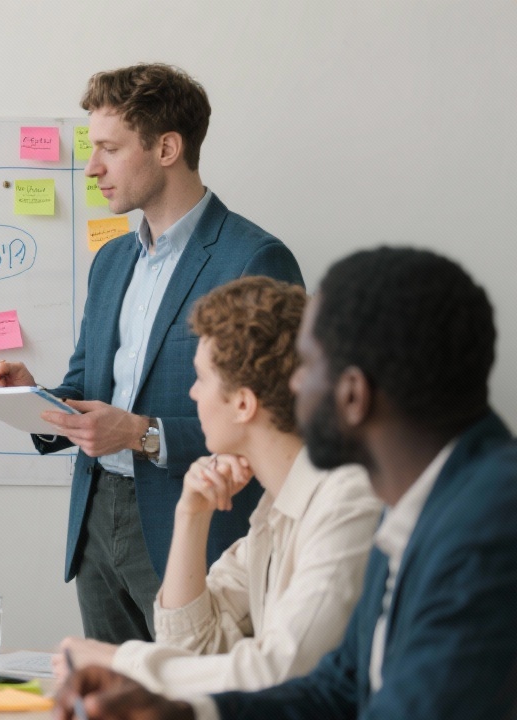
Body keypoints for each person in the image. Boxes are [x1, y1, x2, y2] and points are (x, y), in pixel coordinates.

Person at [55, 247, 517, 719]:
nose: (290, 387)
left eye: (308, 368)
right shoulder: (416, 502)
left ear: (353, 395)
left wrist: (129, 663)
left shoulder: (488, 523)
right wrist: (181, 712)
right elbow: (336, 687)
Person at [0, 64, 303, 642]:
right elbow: (88, 385)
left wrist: (140, 434)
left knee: (189, 698)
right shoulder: (111, 262)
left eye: (109, 148)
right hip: (97, 523)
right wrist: (34, 396)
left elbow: (281, 422)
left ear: (167, 148)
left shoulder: (254, 260)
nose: (92, 167)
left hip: (196, 529)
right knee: (113, 697)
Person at [55, 276, 381, 694]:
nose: (192, 393)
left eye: (201, 378)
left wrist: (121, 661)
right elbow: (191, 647)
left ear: (243, 403)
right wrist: (190, 516)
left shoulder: (347, 500)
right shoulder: (275, 506)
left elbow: (283, 671)